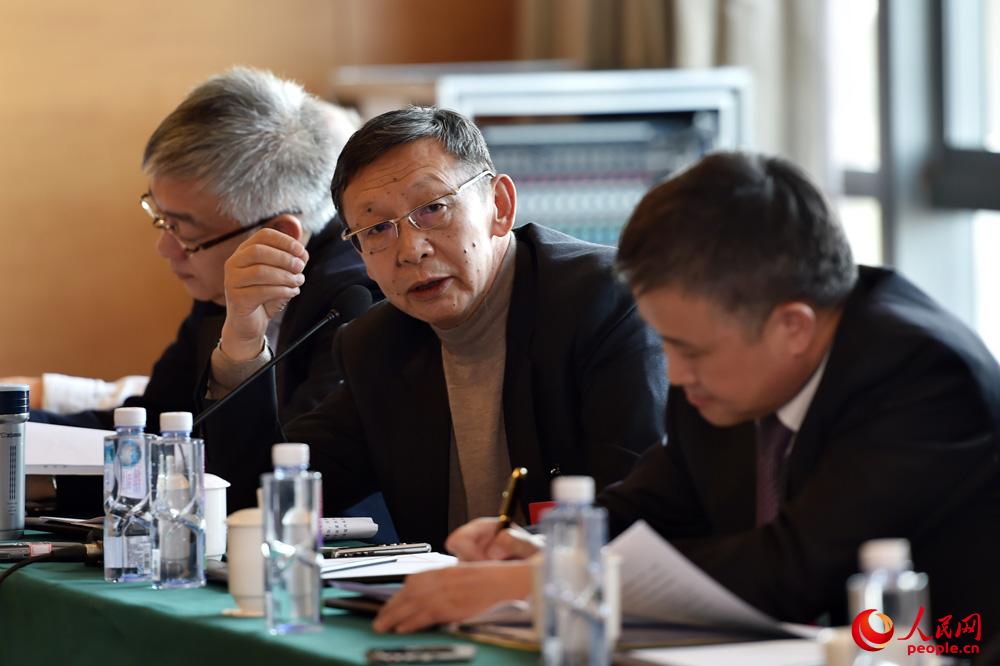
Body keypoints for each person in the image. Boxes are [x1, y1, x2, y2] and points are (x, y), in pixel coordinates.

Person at [371, 151, 1000, 644]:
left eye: (691, 351)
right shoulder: (734, 368)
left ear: (793, 327)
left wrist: (543, 584)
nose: (676, 372)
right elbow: (659, 503)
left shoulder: (923, 376)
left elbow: (794, 570)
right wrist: (542, 549)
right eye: (667, 343)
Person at [202, 106, 669, 541]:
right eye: (377, 229)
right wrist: (242, 338)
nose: (411, 250)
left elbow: (636, 514)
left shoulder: (604, 301)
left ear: (499, 205)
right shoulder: (378, 346)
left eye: (433, 208)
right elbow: (261, 502)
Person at [24, 67, 375, 433]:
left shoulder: (353, 304)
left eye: (183, 229)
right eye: (161, 218)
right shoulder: (222, 285)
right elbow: (155, 422)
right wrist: (14, 424)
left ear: (275, 236)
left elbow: (288, 457)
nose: (165, 248)